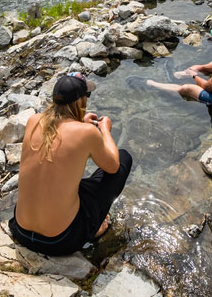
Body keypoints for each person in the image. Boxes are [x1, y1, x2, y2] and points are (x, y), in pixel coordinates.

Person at [9, 73, 132, 256]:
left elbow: (60, 135)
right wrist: (105, 130)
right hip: (59, 241)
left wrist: (79, 123)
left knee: (62, 179)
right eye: (87, 96)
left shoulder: (33, 120)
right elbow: (112, 166)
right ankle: (93, 228)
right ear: (81, 100)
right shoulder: (87, 133)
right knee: (123, 159)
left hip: (21, 231)